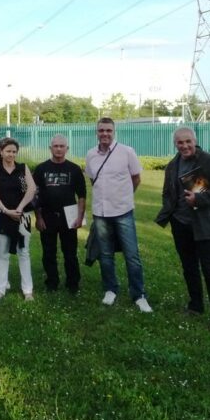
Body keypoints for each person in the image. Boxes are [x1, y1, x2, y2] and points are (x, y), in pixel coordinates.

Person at [155, 127, 210, 332]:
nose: (184, 146)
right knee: (189, 267)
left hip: (203, 224)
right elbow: (167, 191)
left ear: (195, 141)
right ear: (175, 144)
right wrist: (170, 212)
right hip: (180, 224)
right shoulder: (173, 165)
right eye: (180, 142)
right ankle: (195, 306)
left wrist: (199, 198)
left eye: (188, 141)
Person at [85, 117, 152, 313]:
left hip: (123, 211)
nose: (104, 134)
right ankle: (110, 289)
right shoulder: (91, 155)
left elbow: (136, 178)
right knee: (105, 255)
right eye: (101, 130)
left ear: (114, 132)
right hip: (101, 212)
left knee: (132, 255)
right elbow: (92, 179)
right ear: (96, 132)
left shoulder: (126, 152)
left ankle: (139, 295)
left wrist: (124, 197)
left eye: (108, 130)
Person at [33, 134, 87, 294]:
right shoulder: (41, 169)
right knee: (49, 253)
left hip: (69, 216)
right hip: (47, 215)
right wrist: (39, 217)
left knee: (70, 253)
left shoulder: (74, 169)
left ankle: (73, 284)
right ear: (50, 148)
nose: (58, 149)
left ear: (67, 149)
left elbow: (82, 195)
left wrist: (79, 217)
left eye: (62, 146)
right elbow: (35, 195)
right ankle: (52, 283)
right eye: (55, 146)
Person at [0, 138, 36, 301]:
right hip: (2, 214)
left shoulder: (23, 168)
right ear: (1, 152)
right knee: (3, 253)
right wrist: (6, 211)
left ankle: (27, 290)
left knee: (24, 251)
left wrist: (20, 208)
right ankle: (0, 289)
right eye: (8, 151)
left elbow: (31, 189)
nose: (11, 154)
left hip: (23, 215)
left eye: (14, 151)